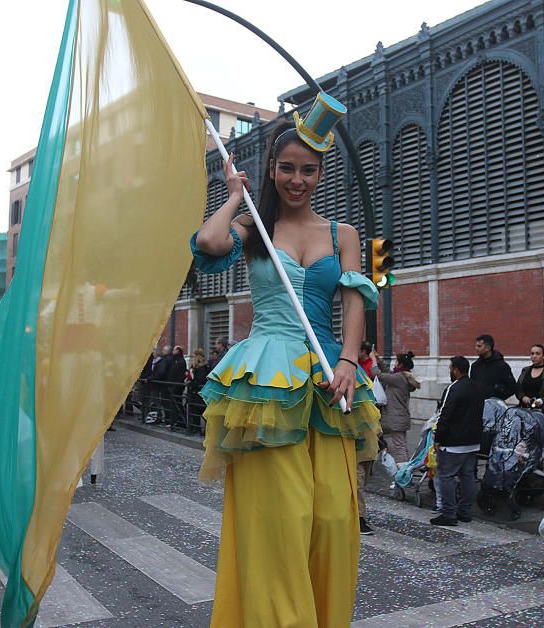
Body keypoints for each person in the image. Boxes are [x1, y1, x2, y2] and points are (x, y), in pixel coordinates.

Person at [190, 99, 381, 627]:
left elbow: (355, 300)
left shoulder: (342, 235)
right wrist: (234, 197)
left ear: (321, 173)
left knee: (335, 518)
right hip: (267, 382)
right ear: (272, 171)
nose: (297, 180)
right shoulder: (255, 230)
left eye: (308, 169)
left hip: (328, 380)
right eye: (287, 169)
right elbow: (208, 242)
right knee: (280, 519)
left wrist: (348, 359)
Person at [431, 356, 484, 526]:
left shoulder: (453, 388)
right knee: (468, 476)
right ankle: (465, 511)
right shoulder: (477, 387)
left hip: (453, 442)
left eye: (450, 368)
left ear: (456, 370)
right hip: (473, 440)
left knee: (446, 476)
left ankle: (449, 513)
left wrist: (438, 437)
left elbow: (445, 414)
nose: (449, 372)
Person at [370, 346, 420, 462]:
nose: (395, 363)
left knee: (399, 447)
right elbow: (387, 371)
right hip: (401, 417)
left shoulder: (398, 378)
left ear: (401, 365)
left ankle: (404, 476)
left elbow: (378, 375)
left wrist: (373, 360)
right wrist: (378, 358)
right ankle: (405, 471)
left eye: (397, 361)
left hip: (396, 418)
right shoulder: (402, 376)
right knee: (402, 445)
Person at [470, 334, 516, 400]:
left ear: (488, 348)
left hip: (495, 406)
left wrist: (498, 393)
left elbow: (512, 388)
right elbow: (472, 386)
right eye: (476, 346)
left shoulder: (502, 366)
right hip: (478, 405)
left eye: (479, 346)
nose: (476, 348)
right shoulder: (475, 366)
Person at [516, 343, 544, 408]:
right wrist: (522, 397)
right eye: (532, 354)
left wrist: (542, 400)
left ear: (543, 356)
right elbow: (517, 388)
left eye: (537, 354)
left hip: (543, 409)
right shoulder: (525, 370)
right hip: (524, 408)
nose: (534, 356)